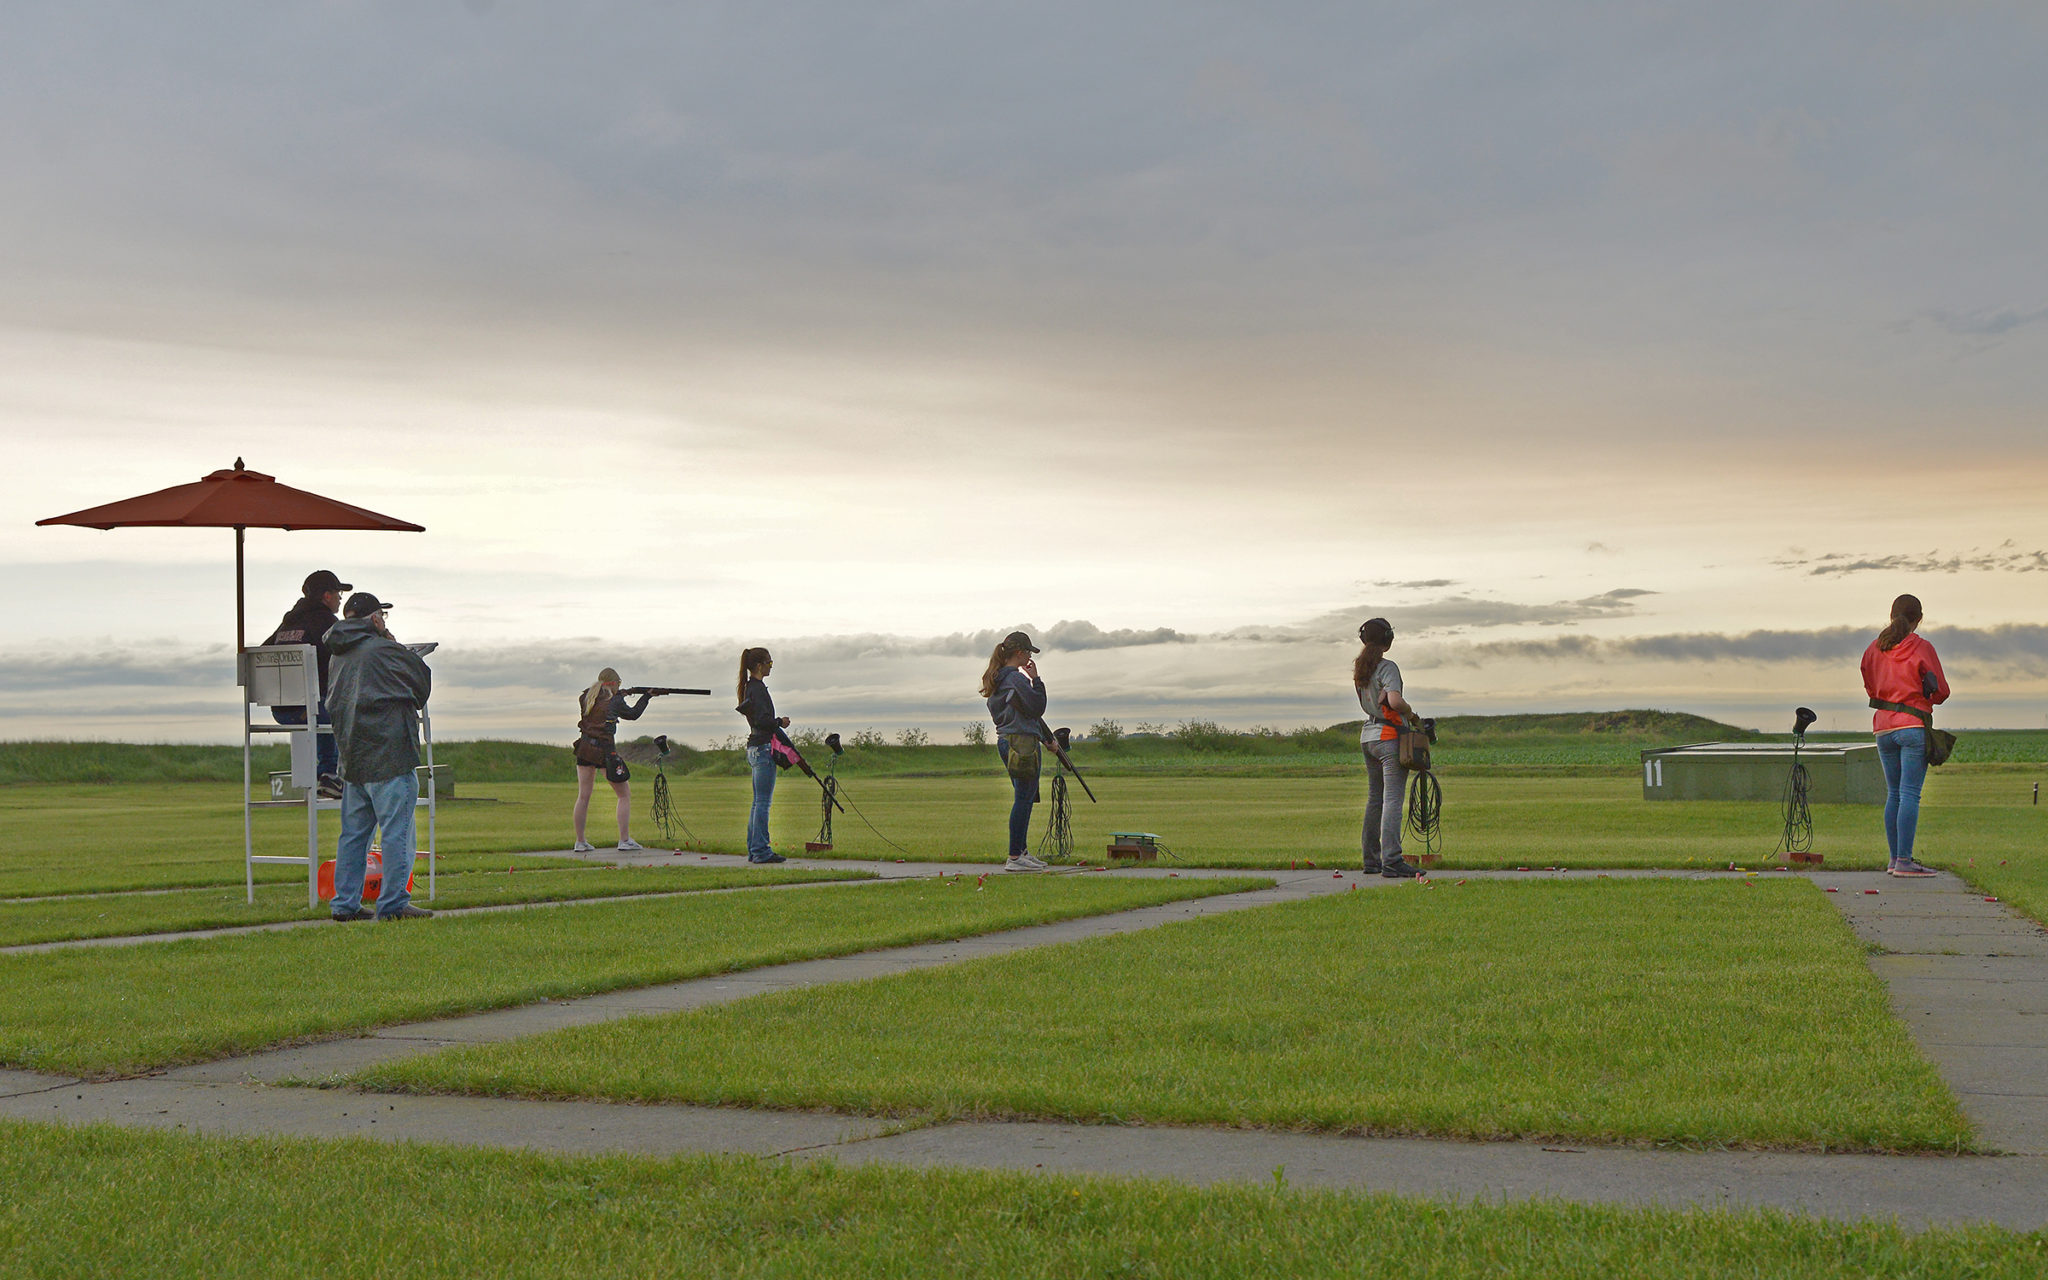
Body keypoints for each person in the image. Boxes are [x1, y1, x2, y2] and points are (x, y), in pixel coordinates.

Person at [323, 592, 433, 921]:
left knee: (354, 836)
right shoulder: (385, 649)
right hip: (390, 754)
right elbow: (421, 684)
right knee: (397, 832)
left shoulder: (338, 655)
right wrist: (395, 644)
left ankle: (345, 903)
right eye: (383, 617)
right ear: (374, 619)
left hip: (353, 759)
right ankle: (394, 902)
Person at [1861, 594, 1949, 878]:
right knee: (1910, 793)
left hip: (1883, 727)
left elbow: (1871, 687)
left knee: (1895, 794)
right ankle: (1905, 861)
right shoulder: (1922, 647)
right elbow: (1942, 692)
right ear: (1919, 619)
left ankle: (1893, 860)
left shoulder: (1873, 649)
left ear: (1891, 617)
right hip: (1912, 726)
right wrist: (1924, 694)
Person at [264, 569, 349, 798]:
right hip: (311, 710)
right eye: (338, 593)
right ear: (326, 596)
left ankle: (324, 774)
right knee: (341, 707)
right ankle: (331, 774)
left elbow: (263, 653)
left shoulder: (288, 623)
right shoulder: (327, 623)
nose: (341, 598)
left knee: (322, 704)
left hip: (281, 710)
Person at [1354, 617, 1425, 878]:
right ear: (1387, 639)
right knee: (1393, 799)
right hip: (1388, 736)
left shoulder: (1361, 669)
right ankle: (1392, 860)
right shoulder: (1387, 667)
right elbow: (1395, 702)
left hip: (1368, 737)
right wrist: (1411, 713)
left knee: (1375, 798)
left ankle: (1371, 860)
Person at [981, 630, 1051, 872]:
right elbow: (1037, 707)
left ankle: (1021, 851)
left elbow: (1025, 711)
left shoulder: (999, 678)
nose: (1030, 656)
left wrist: (1045, 737)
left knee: (1025, 795)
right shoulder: (1017, 679)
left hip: (1008, 740)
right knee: (1023, 797)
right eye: (1029, 651)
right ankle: (1015, 856)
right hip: (1021, 742)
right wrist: (1036, 679)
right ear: (1020, 653)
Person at [572, 668, 653, 853]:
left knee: (583, 796)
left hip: (584, 748)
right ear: (614, 683)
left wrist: (624, 694)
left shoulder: (586, 696)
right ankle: (624, 840)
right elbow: (633, 714)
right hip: (604, 750)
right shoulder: (614, 700)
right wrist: (646, 697)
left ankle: (580, 841)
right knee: (624, 794)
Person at [737, 647, 790, 863]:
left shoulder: (750, 688)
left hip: (755, 748)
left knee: (758, 802)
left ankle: (755, 849)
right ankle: (761, 851)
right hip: (763, 748)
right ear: (759, 665)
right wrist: (780, 723)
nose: (771, 666)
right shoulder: (757, 689)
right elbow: (762, 720)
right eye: (769, 662)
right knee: (763, 803)